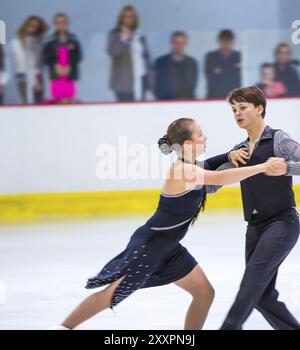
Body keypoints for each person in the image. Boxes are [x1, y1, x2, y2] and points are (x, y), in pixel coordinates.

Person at [48, 118, 284, 330]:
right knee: (110, 296)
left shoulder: (193, 166)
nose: (205, 137)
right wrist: (263, 167)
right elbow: (219, 177)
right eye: (201, 134)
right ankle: (63, 328)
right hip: (150, 246)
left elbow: (213, 165)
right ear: (188, 143)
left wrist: (229, 155)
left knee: (204, 293)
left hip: (169, 246)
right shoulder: (181, 170)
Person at [207, 86, 300, 330]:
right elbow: (210, 185)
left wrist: (287, 168)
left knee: (253, 279)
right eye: (234, 109)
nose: (237, 113)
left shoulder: (278, 139)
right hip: (255, 227)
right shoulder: (239, 150)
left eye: (243, 107)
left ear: (259, 109)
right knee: (262, 296)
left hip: (283, 222)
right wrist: (223, 157)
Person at [107, 5, 151, 102]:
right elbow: (112, 52)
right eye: (125, 16)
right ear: (121, 18)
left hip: (140, 78)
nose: (128, 19)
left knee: (140, 108)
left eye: (131, 16)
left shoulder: (139, 35)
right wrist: (123, 39)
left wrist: (150, 78)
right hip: (123, 82)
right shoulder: (115, 34)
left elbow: (146, 57)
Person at [43, 13, 82, 104]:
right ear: (55, 24)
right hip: (56, 75)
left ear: (67, 23)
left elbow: (79, 56)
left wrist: (70, 65)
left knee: (69, 101)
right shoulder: (50, 40)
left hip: (70, 75)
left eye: (63, 22)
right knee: (58, 101)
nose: (61, 25)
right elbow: (45, 58)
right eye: (58, 23)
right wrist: (55, 65)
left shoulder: (74, 39)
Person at [11, 16, 48, 104]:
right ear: (25, 25)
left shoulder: (39, 43)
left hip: (36, 75)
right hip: (22, 75)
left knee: (38, 104)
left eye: (36, 27)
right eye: (31, 25)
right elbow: (18, 62)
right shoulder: (15, 42)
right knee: (24, 103)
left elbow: (37, 62)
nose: (33, 29)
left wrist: (36, 79)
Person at [153, 31, 198, 100]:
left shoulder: (192, 62)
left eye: (182, 43)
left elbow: (193, 84)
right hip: (165, 102)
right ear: (171, 43)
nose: (179, 46)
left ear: (186, 44)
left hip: (187, 102)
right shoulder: (160, 62)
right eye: (176, 42)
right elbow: (154, 84)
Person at [204, 29, 241, 98]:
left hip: (235, 97)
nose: (226, 44)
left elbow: (240, 78)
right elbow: (210, 76)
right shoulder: (211, 57)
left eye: (229, 41)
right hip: (214, 97)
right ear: (219, 41)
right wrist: (231, 69)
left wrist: (221, 71)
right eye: (224, 41)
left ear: (233, 41)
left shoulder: (239, 57)